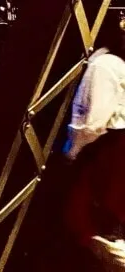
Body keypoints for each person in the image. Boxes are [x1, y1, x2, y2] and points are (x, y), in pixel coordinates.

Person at [64, 15, 125, 268]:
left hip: (108, 149)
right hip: (117, 148)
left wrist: (72, 153)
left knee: (87, 216)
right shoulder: (117, 63)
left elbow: (92, 123)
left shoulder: (102, 65)